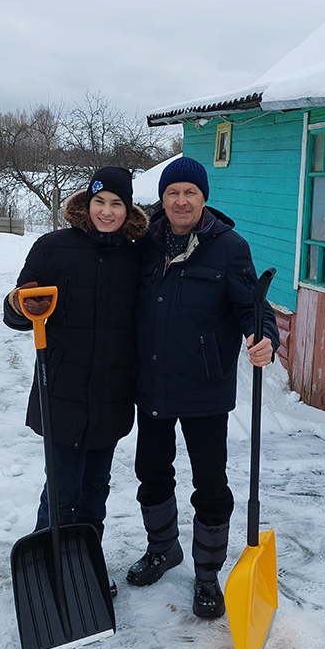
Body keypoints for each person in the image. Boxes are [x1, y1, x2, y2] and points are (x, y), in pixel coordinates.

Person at [127, 155, 279, 618]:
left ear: (204, 198)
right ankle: (163, 548)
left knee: (210, 484)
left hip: (204, 388)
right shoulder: (144, 244)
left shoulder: (229, 247)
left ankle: (208, 574)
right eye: (173, 192)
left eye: (190, 192)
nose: (180, 200)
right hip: (151, 382)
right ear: (163, 198)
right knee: (151, 474)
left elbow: (254, 308)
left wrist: (264, 338)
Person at [3, 167, 147, 595]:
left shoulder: (135, 255)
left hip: (112, 392)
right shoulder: (52, 248)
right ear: (87, 204)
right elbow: (16, 313)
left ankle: (85, 564)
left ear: (127, 210)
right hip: (62, 389)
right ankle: (47, 571)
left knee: (95, 489)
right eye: (100, 202)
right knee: (62, 486)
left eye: (116, 204)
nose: (107, 211)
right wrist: (17, 303)